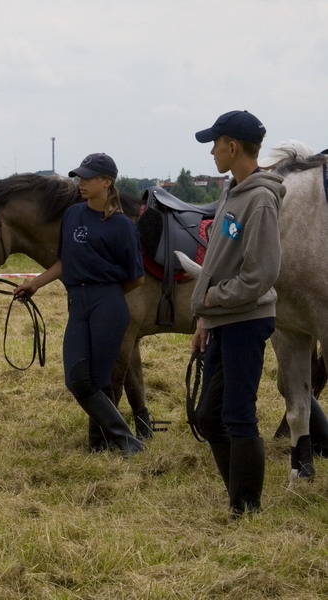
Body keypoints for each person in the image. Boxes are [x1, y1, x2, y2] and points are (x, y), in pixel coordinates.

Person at [14, 153, 146, 456]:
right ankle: (127, 440)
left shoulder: (123, 225)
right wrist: (34, 284)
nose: (80, 182)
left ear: (106, 182)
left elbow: (136, 278)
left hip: (109, 303)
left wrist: (106, 293)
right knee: (76, 378)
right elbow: (64, 261)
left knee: (99, 379)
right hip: (78, 302)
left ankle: (100, 444)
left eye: (87, 178)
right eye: (79, 177)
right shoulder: (73, 215)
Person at [190, 110, 284, 516]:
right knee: (209, 416)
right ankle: (240, 501)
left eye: (215, 143)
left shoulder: (260, 199)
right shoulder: (234, 192)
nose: (211, 151)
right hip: (224, 320)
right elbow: (221, 260)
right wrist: (204, 321)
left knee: (238, 414)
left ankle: (246, 509)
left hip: (246, 320)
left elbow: (259, 275)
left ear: (232, 146)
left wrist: (213, 301)